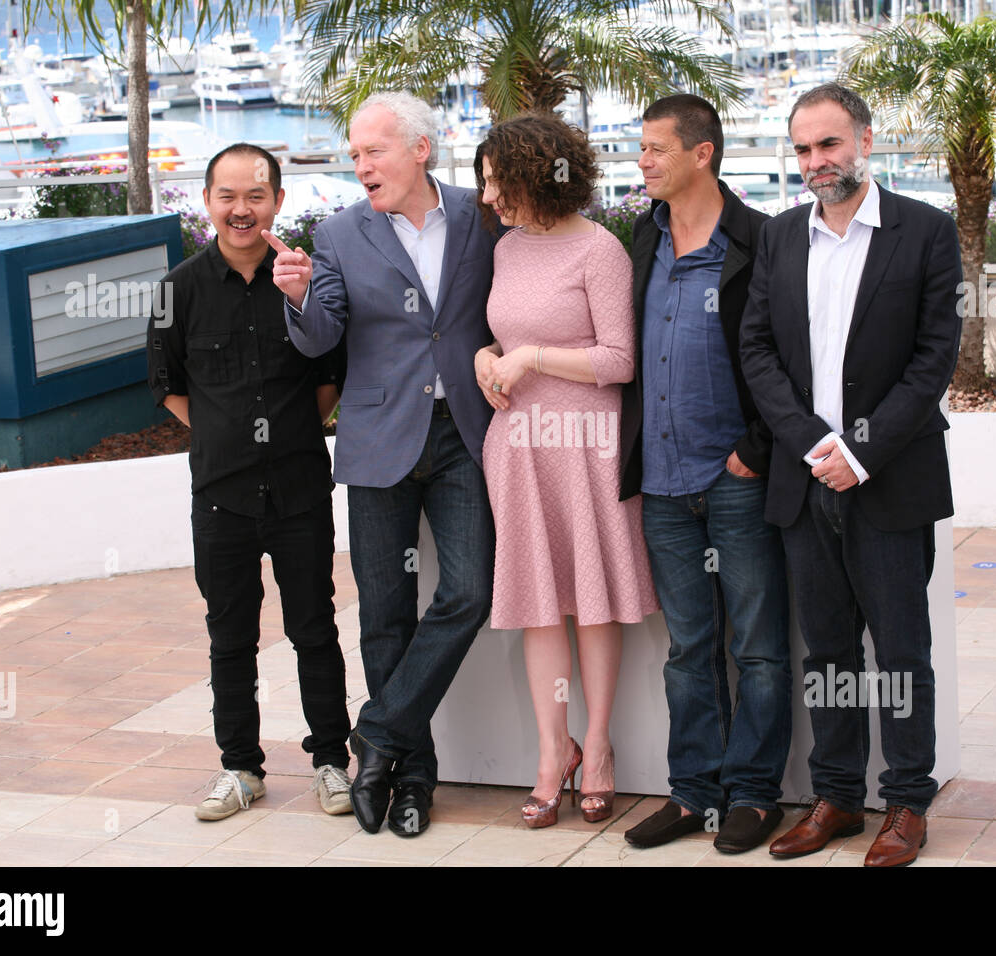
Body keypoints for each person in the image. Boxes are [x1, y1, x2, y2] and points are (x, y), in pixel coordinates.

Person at [738, 83, 964, 867]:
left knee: (900, 650)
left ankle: (905, 802)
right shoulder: (779, 237)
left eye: (828, 144)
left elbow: (934, 358)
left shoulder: (926, 232)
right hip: (807, 481)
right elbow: (757, 351)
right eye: (802, 149)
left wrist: (860, 453)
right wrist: (812, 445)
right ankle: (836, 796)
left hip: (889, 478)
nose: (815, 162)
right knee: (827, 650)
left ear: (864, 140)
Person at [268, 91, 498, 838]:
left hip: (464, 432)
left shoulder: (478, 214)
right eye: (355, 154)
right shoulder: (337, 233)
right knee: (386, 612)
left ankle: (378, 732)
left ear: (421, 149)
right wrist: (301, 297)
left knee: (468, 591)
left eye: (374, 150)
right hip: (378, 441)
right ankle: (412, 781)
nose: (360, 165)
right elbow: (319, 337)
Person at [146, 142, 353, 822]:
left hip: (297, 487)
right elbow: (169, 388)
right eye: (228, 196)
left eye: (255, 196)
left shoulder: (308, 277)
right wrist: (222, 435)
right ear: (207, 202)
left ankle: (331, 762)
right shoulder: (178, 290)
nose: (242, 210)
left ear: (278, 203)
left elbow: (329, 380)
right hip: (221, 494)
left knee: (314, 627)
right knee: (228, 634)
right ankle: (240, 767)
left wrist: (284, 434)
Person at [616, 94, 792, 855]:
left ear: (702, 153)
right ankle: (693, 795)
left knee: (756, 644)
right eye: (642, 148)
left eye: (656, 148)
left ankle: (752, 795)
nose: (643, 161)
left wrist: (756, 445)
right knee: (689, 648)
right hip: (660, 483)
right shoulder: (641, 239)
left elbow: (792, 354)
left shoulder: (760, 240)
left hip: (736, 479)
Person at [472, 115, 659, 829]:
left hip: (586, 446)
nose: (489, 197)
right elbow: (504, 334)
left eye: (498, 182)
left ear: (536, 176)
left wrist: (533, 360)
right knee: (538, 602)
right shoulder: (506, 249)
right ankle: (555, 752)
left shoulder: (600, 250)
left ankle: (601, 747)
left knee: (592, 601)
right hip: (518, 448)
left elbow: (619, 360)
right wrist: (487, 358)